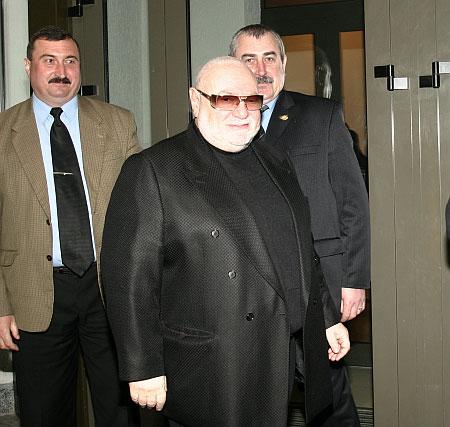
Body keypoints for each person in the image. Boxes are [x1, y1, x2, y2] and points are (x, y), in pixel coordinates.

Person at [101, 56, 350, 427]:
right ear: (196, 100)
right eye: (226, 99)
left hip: (275, 355)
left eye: (251, 100)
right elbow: (128, 279)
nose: (242, 111)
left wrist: (325, 318)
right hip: (208, 365)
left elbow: (299, 248)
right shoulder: (154, 170)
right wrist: (143, 366)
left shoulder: (273, 158)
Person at [230, 24, 371, 426]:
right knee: (254, 398)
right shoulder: (220, 123)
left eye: (269, 58)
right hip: (246, 291)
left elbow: (352, 203)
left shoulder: (321, 117)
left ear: (284, 64)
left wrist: (354, 280)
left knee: (328, 398)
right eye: (249, 59)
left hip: (316, 288)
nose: (261, 69)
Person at [0, 26, 140, 426]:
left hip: (109, 288)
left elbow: (141, 209)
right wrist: (1, 306)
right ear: (28, 67)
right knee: (43, 414)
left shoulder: (118, 122)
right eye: (49, 60)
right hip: (33, 292)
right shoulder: (2, 132)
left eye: (70, 61)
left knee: (121, 411)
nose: (61, 71)